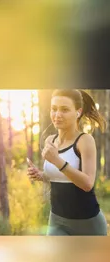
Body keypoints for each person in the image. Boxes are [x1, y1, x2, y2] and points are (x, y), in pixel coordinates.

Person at [27, 89, 108, 236]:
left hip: (88, 224)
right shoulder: (50, 140)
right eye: (54, 109)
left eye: (64, 110)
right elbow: (60, 177)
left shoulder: (84, 141)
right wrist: (41, 175)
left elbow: (87, 183)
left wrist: (57, 161)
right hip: (57, 220)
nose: (57, 115)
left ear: (78, 112)